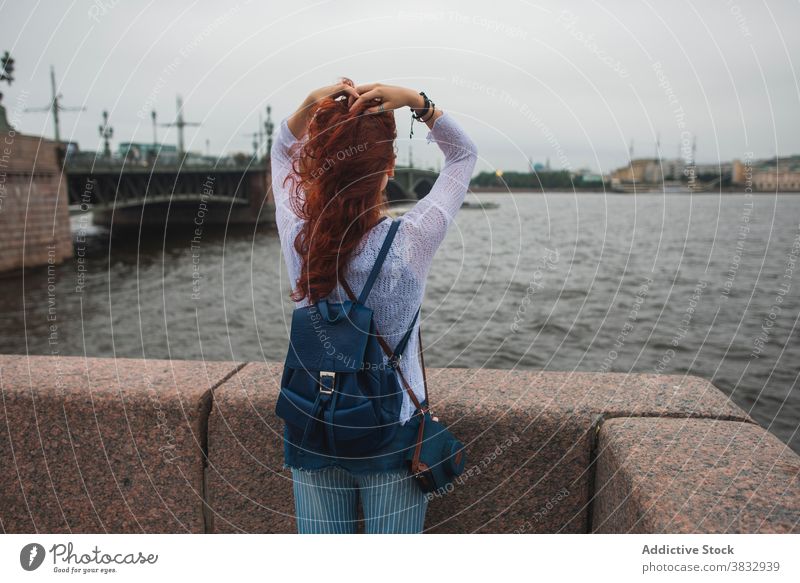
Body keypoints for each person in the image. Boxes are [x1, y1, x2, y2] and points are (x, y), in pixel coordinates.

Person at [271, 78, 478, 533]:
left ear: (319, 164)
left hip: (312, 422)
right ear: (389, 166)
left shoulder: (298, 235)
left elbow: (281, 148)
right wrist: (418, 102)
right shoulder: (411, 240)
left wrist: (311, 101)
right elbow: (463, 156)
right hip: (390, 433)